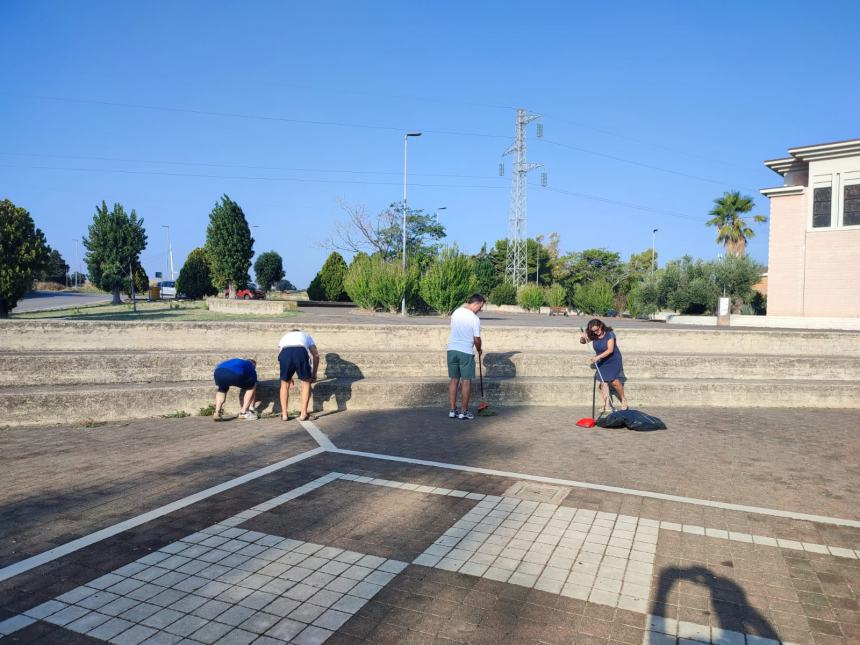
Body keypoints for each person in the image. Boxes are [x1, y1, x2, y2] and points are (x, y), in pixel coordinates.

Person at [447, 293, 486, 420]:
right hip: (465, 352)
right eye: (480, 307)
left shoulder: (456, 312)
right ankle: (464, 411)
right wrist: (479, 349)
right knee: (466, 381)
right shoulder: (474, 319)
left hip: (451, 350)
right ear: (476, 303)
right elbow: (476, 339)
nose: (480, 310)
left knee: (454, 380)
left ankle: (453, 410)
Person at [580, 318, 629, 411]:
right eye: (593, 331)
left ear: (601, 326)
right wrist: (583, 337)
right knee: (603, 383)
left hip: (613, 359)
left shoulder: (610, 334)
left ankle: (623, 399)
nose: (596, 332)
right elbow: (583, 342)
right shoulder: (594, 335)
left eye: (597, 330)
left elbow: (610, 350)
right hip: (602, 361)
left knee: (613, 381)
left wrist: (598, 357)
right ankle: (607, 405)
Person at [277, 328, 319, 421]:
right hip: (300, 351)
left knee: (284, 384)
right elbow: (316, 355)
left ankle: (284, 414)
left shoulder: (285, 336)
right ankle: (303, 414)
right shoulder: (306, 335)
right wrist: (314, 374)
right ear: (299, 332)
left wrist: (289, 375)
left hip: (285, 353)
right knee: (306, 383)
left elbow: (280, 355)